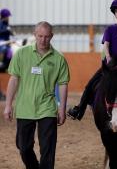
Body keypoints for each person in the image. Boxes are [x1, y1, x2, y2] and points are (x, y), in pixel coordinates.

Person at [3, 21, 70, 169]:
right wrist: (8, 105)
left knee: (48, 149)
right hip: (24, 107)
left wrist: (62, 109)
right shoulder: (21, 54)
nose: (43, 40)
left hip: (47, 108)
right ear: (34, 35)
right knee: (23, 147)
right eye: (40, 36)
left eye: (46, 37)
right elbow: (13, 80)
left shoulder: (59, 59)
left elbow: (63, 84)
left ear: (51, 36)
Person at [68, 0, 117, 120]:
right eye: (116, 11)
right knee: (90, 84)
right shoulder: (110, 29)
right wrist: (108, 58)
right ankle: (80, 108)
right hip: (111, 66)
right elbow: (106, 45)